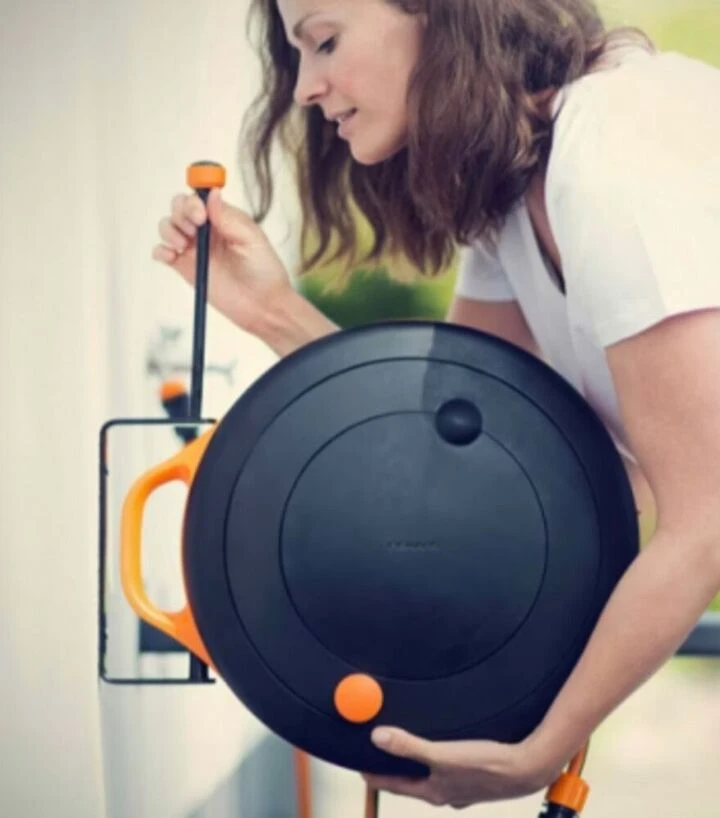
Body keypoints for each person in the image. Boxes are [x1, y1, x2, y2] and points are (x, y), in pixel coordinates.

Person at [152, 0, 720, 809]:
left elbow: (705, 520)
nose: (305, 88)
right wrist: (274, 313)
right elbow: (456, 454)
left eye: (324, 41)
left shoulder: (617, 150)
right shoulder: (517, 191)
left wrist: (537, 756)